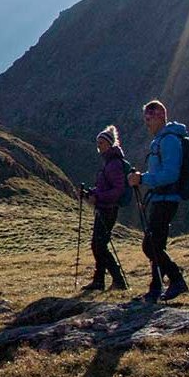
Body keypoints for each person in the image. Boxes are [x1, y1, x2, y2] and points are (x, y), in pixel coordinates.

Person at [127, 99, 189, 303]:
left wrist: (143, 179)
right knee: (157, 244)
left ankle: (177, 279)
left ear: (161, 115)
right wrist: (142, 178)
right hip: (160, 197)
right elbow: (160, 172)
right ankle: (155, 287)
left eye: (149, 118)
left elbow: (170, 174)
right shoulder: (161, 140)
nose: (147, 123)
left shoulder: (169, 140)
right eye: (145, 118)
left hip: (167, 198)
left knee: (150, 245)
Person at [82, 125, 129, 291]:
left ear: (109, 144)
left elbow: (117, 190)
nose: (99, 146)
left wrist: (97, 197)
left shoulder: (113, 164)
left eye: (101, 143)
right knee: (98, 244)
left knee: (99, 245)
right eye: (98, 143)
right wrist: (92, 192)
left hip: (108, 209)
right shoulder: (110, 162)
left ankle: (117, 280)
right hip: (105, 207)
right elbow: (107, 187)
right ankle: (100, 281)